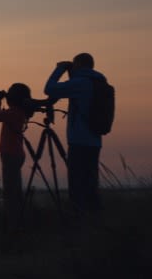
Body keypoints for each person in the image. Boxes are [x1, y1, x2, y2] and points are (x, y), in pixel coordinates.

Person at [44, 53, 107, 216]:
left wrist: (59, 69)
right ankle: (95, 220)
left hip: (79, 141)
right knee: (91, 183)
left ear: (78, 65)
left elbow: (49, 89)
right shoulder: (98, 81)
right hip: (95, 140)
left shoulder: (80, 83)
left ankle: (79, 221)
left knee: (77, 185)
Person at [0, 83, 43, 228]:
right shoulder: (19, 112)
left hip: (10, 154)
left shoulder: (14, 112)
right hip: (15, 153)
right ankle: (17, 221)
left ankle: (13, 224)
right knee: (15, 190)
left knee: (11, 192)